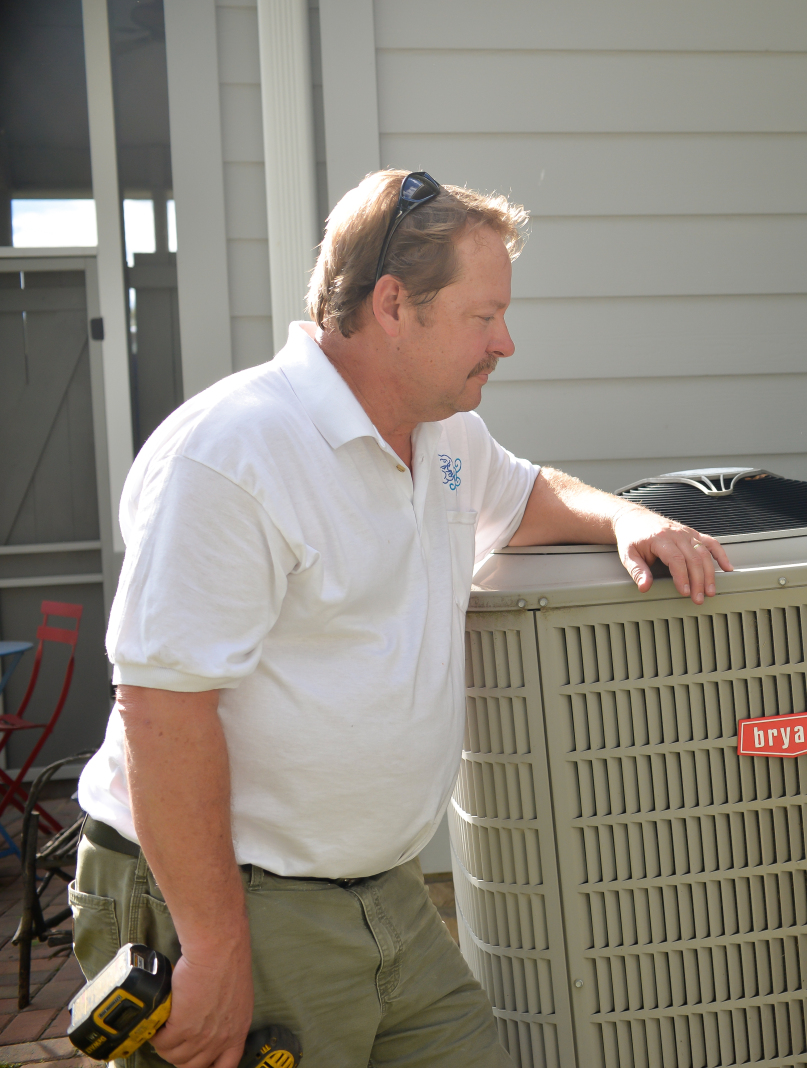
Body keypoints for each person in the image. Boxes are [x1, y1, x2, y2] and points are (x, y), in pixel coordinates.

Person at [71, 170, 733, 1068]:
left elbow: (530, 495)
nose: (505, 342)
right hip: (228, 899)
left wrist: (628, 518)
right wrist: (217, 952)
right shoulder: (234, 452)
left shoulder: (443, 435)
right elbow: (161, 708)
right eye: (483, 316)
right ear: (391, 304)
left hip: (381, 890)